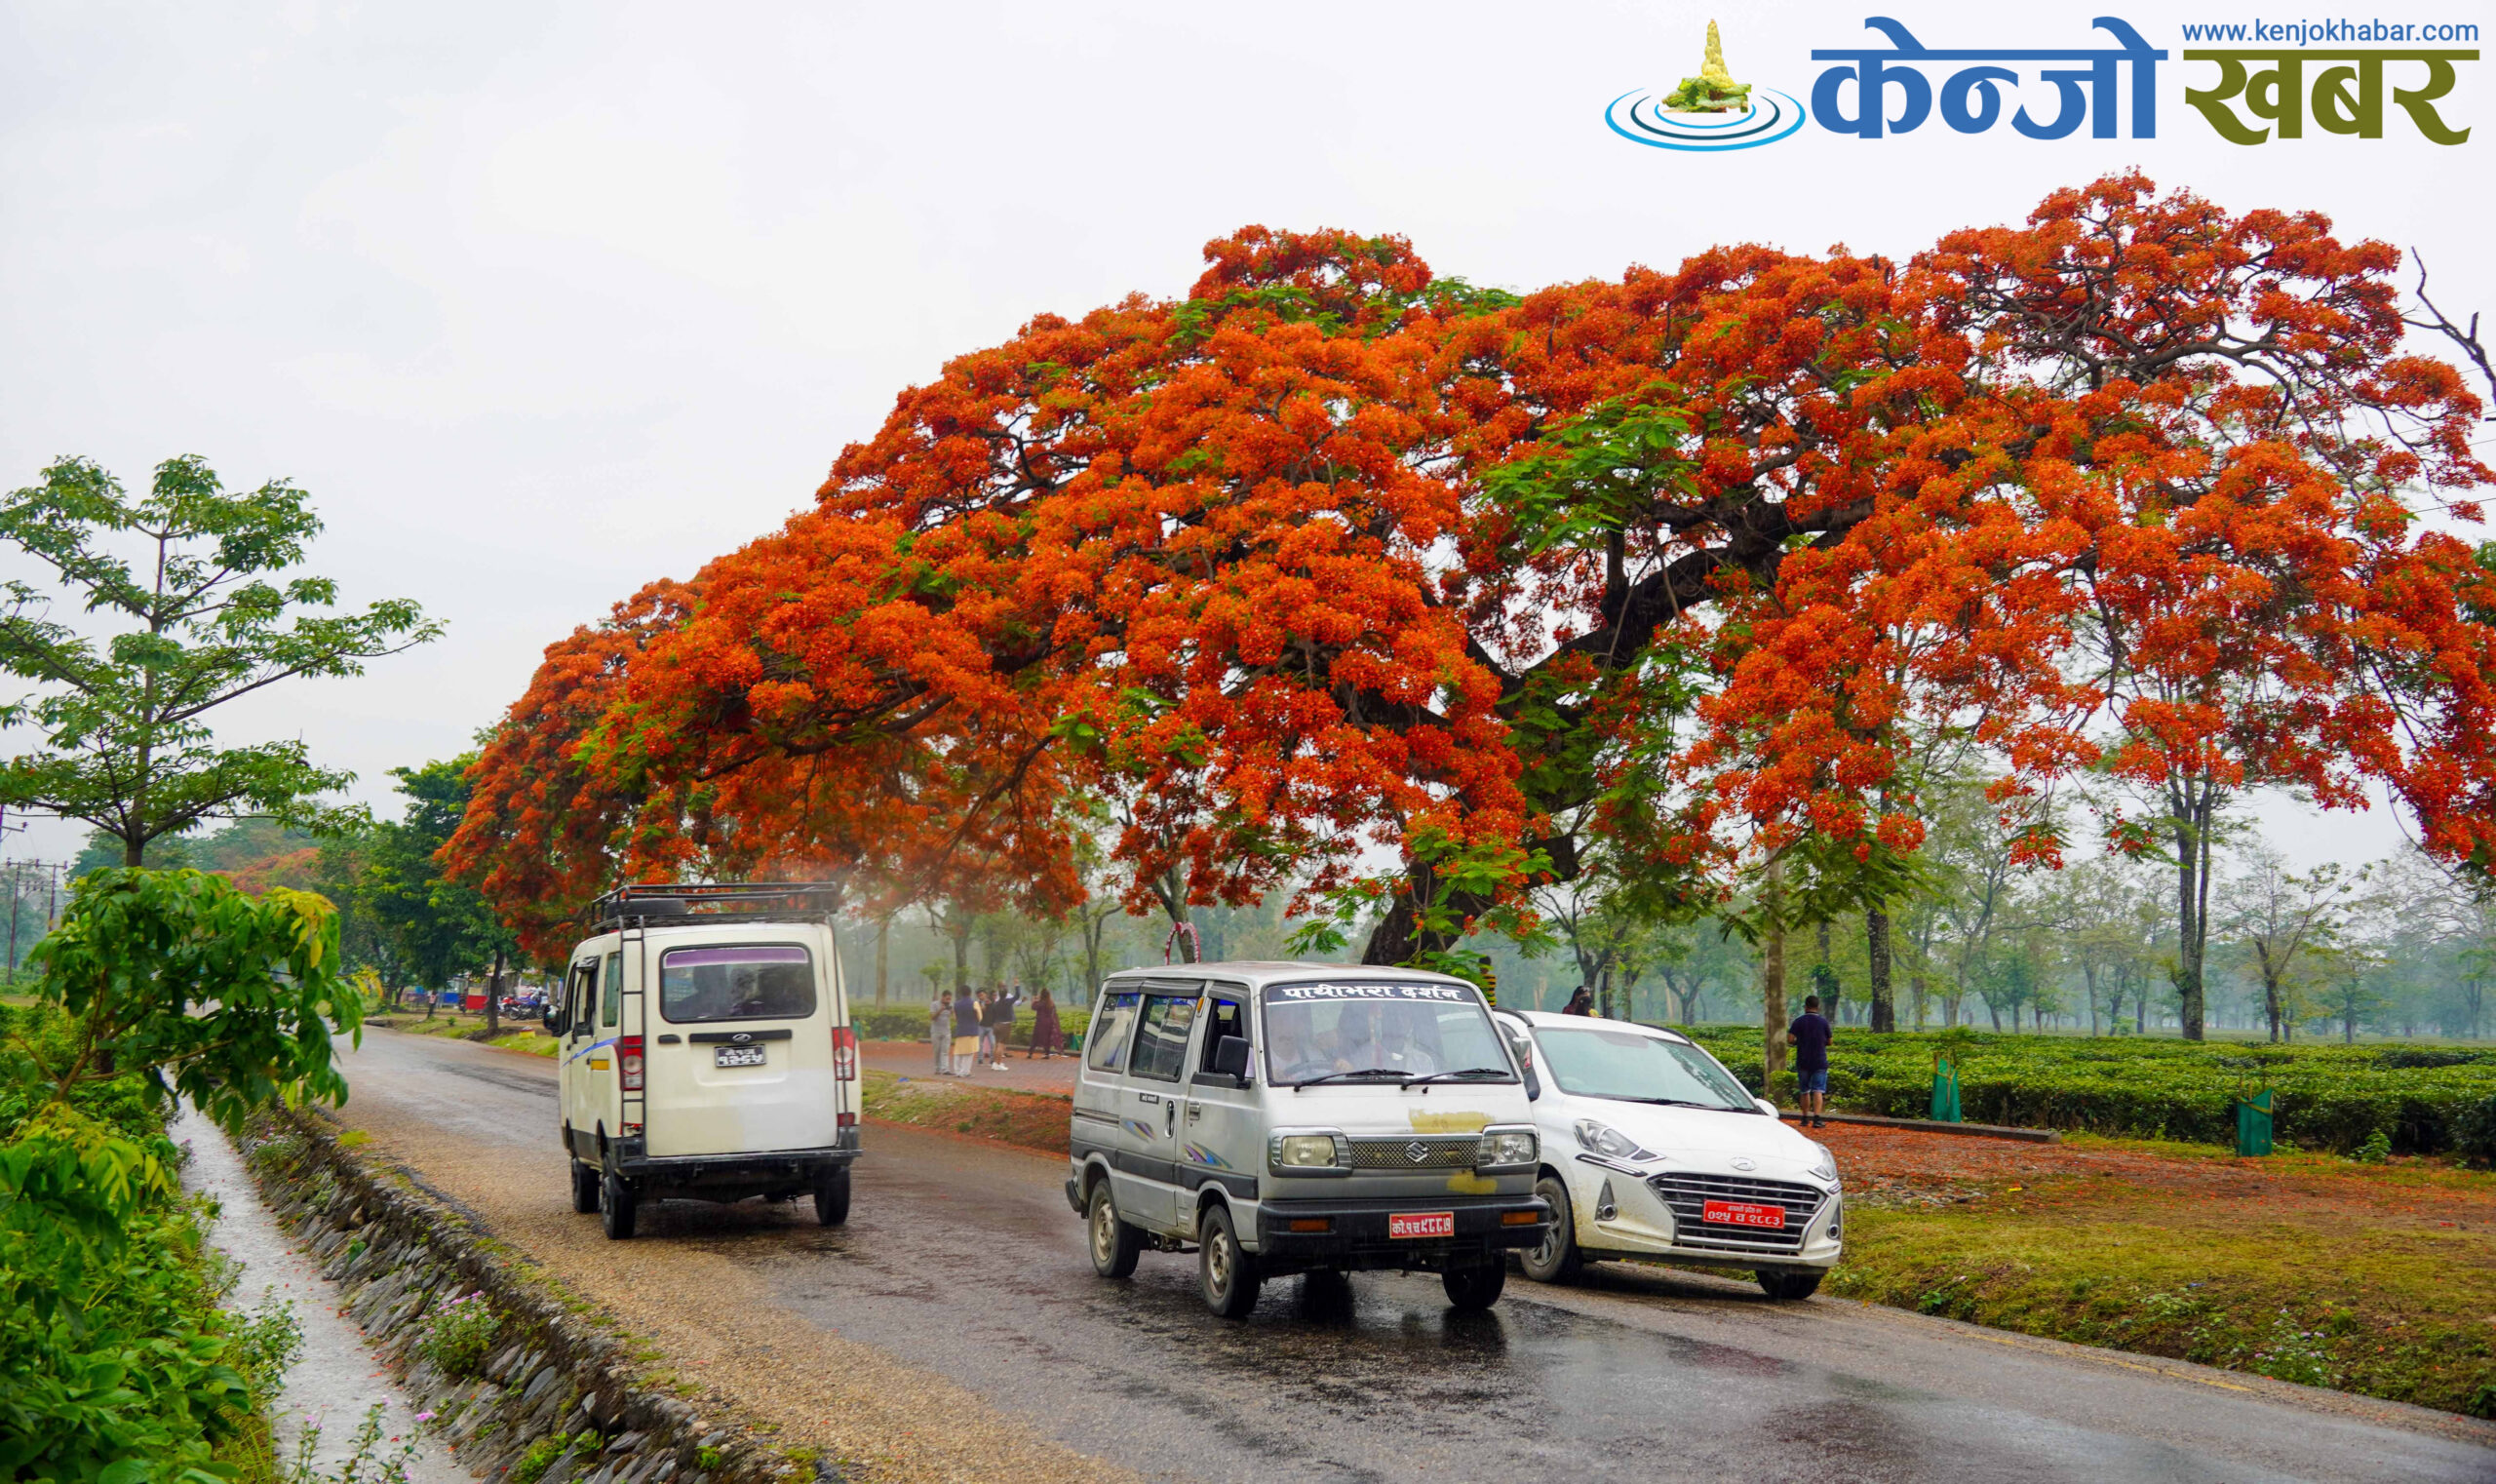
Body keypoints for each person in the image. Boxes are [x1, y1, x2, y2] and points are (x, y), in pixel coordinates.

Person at [1788, 994, 1834, 1129]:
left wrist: (1800, 1042)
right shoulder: (1823, 1022)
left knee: (1804, 1090)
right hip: (1819, 1060)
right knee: (1818, 1090)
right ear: (1818, 1007)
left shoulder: (1798, 1021)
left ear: (1805, 1007)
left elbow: (1790, 1039)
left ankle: (1804, 1118)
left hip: (1803, 1060)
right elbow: (1830, 1041)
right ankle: (1817, 1118)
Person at [951, 989, 982, 1075]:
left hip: (960, 1030)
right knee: (969, 1052)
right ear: (970, 993)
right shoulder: (974, 1003)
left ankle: (957, 1071)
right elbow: (980, 1017)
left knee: (958, 1051)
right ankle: (965, 1071)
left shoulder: (956, 1004)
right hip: (972, 1030)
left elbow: (955, 1018)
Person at [1028, 989, 1061, 1059]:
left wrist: (1033, 1000)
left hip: (1040, 1022)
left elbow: (1033, 1007)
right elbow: (1054, 1012)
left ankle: (1030, 1053)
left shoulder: (1041, 1003)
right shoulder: (1051, 1003)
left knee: (1035, 1037)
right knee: (1047, 1038)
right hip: (1049, 1022)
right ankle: (1047, 1054)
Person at [930, 990, 952, 1074]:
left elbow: (954, 1018)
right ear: (942, 997)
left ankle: (945, 1069)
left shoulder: (951, 1005)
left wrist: (952, 1012)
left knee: (945, 1051)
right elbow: (932, 1017)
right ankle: (937, 1068)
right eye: (947, 999)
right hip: (936, 1031)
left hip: (946, 1031)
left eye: (949, 999)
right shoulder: (934, 1004)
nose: (948, 1001)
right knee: (937, 1051)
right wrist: (940, 1010)